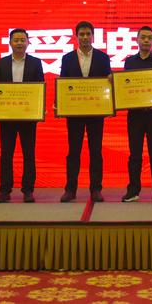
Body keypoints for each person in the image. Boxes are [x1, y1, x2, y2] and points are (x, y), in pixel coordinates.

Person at [59, 21, 112, 203]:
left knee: (95, 151)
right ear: (76, 37)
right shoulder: (67, 58)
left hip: (96, 113)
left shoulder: (103, 58)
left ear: (93, 36)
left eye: (88, 34)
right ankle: (70, 189)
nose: (85, 37)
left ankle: (96, 189)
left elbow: (107, 83)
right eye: (81, 34)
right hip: (75, 114)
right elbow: (64, 84)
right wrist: (61, 104)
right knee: (73, 151)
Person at [0, 28, 45, 203]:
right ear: (10, 43)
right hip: (7, 117)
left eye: (23, 40)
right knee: (6, 154)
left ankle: (28, 190)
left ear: (28, 42)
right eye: (16, 40)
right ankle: (4, 190)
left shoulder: (36, 63)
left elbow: (40, 88)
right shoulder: (1, 63)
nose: (20, 43)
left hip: (28, 117)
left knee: (29, 154)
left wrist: (39, 108)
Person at [121, 26, 152, 203]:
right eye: (143, 37)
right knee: (135, 154)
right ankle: (133, 190)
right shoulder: (130, 62)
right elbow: (126, 87)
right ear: (136, 39)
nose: (146, 40)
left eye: (149, 38)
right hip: (135, 115)